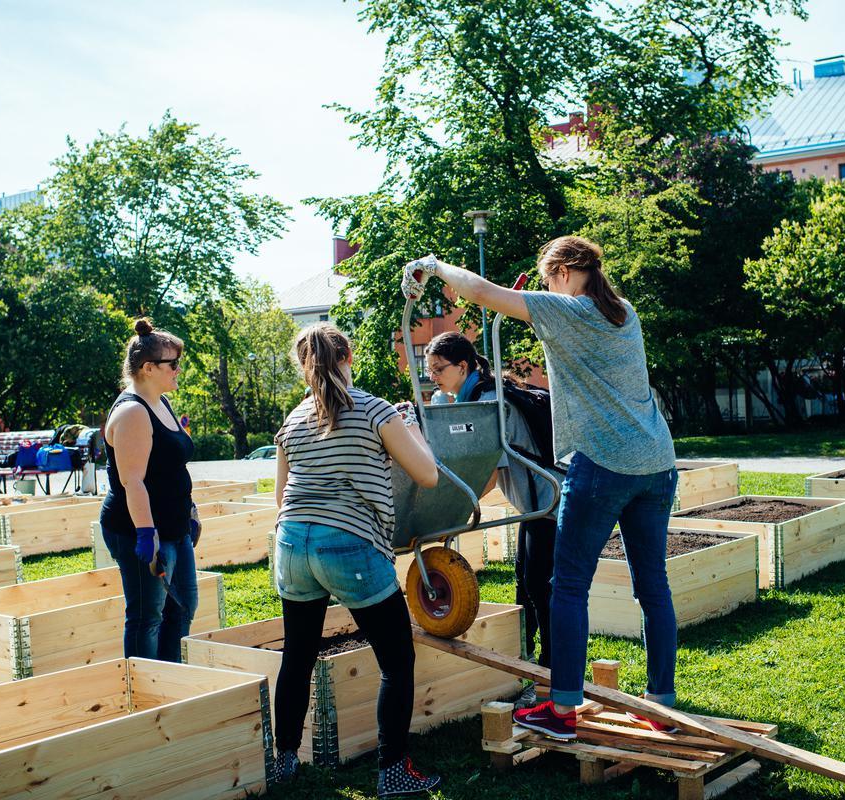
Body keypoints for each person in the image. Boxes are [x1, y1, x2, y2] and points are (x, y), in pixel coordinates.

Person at [403, 237, 679, 740]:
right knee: (652, 586)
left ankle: (562, 710)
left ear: (570, 271)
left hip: (603, 466)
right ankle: (660, 700)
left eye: (550, 275)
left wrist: (435, 264)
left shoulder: (568, 310)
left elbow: (483, 293)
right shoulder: (625, 314)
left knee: (568, 586)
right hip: (657, 464)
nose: (548, 284)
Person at [269, 322, 443, 796]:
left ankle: (284, 762)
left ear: (304, 366)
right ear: (348, 355)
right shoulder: (375, 409)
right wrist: (408, 425)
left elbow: (281, 496)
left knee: (298, 655)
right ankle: (393, 770)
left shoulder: (293, 419)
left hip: (291, 544)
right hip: (349, 543)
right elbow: (427, 474)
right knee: (396, 658)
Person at [423, 332, 559, 687]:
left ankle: (552, 668)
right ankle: (527, 655)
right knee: (525, 581)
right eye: (430, 370)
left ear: (463, 365)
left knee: (540, 584)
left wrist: (452, 514)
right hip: (537, 503)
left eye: (439, 369)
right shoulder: (484, 393)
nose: (433, 377)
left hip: (549, 502)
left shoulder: (487, 402)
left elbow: (487, 473)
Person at [99, 317, 200, 662]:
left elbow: (172, 467)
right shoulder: (132, 412)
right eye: (172, 364)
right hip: (142, 530)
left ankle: (172, 679)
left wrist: (190, 511)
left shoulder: (161, 402)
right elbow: (133, 481)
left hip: (175, 529)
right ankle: (144, 694)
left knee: (184, 606)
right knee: (147, 618)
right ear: (148, 368)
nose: (178, 370)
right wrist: (147, 533)